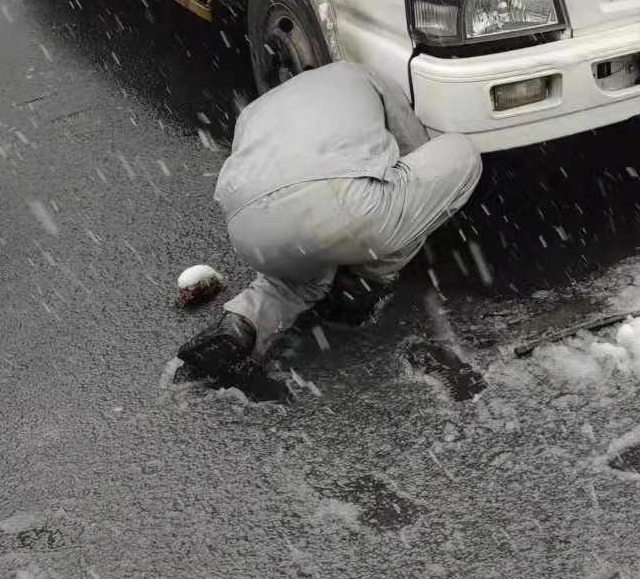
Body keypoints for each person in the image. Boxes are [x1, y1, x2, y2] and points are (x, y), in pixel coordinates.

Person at [177, 62, 482, 383]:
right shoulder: (362, 72)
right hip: (344, 210)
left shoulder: (254, 110)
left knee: (293, 278)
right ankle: (362, 282)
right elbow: (415, 149)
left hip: (249, 229)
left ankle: (241, 324)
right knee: (458, 152)